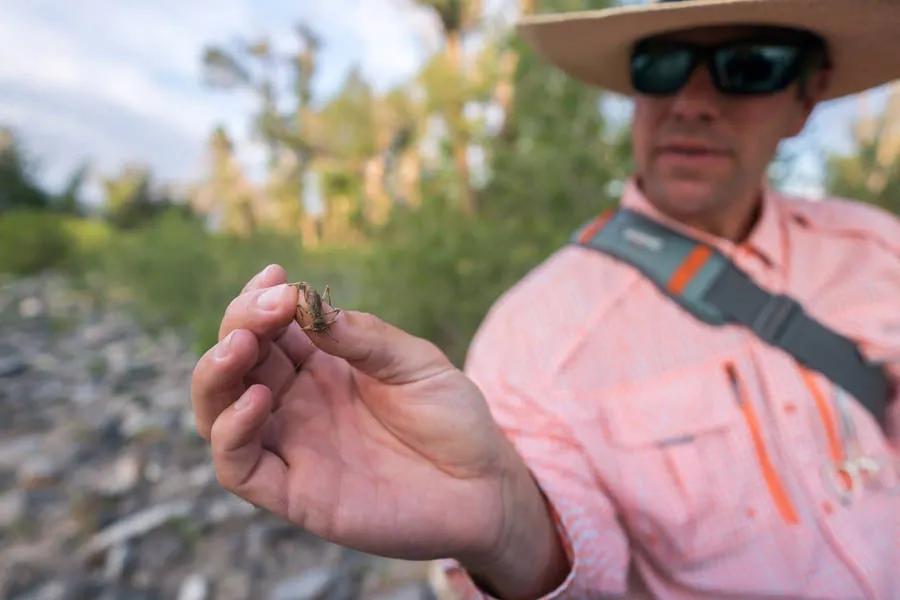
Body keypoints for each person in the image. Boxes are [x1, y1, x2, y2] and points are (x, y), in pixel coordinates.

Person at [190, 0, 900, 597]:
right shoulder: (534, 328)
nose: (693, 103)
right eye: (662, 67)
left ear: (807, 94)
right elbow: (576, 562)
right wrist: (503, 521)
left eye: (749, 68)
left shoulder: (880, 250)